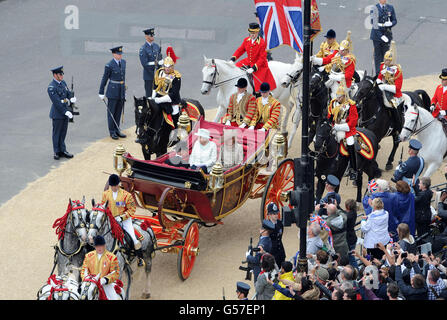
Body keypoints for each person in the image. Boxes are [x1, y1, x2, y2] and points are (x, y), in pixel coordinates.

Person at [102, 174, 145, 267]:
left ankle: (140, 258)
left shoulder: (127, 195)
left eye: (115, 186)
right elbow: (103, 206)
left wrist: (122, 217)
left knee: (134, 238)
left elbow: (132, 209)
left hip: (124, 220)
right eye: (112, 186)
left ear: (119, 184)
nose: (113, 188)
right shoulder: (105, 194)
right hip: (111, 220)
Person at [230, 22, 276, 94]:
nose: (252, 35)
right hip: (248, 61)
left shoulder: (262, 43)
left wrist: (253, 68)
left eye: (254, 33)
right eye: (251, 33)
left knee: (257, 84)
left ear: (257, 32)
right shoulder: (246, 40)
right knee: (235, 68)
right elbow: (240, 50)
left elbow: (262, 58)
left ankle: (258, 95)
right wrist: (233, 59)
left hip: (260, 65)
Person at [327, 82, 359, 180]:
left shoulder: (351, 105)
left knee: (350, 144)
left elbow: (353, 122)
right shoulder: (333, 103)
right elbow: (329, 116)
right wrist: (332, 125)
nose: (338, 98)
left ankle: (353, 169)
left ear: (345, 96)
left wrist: (339, 127)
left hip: (346, 129)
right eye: (337, 96)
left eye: (340, 97)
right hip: (334, 127)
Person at [98, 46, 127, 140]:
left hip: (121, 90)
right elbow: (104, 78)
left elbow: (123, 77)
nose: (120, 55)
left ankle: (117, 129)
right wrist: (101, 91)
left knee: (118, 111)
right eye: (118, 54)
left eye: (121, 54)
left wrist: (124, 88)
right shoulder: (109, 65)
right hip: (113, 90)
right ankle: (112, 131)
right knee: (112, 112)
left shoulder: (123, 62)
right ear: (114, 54)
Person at [81, 235, 121, 300]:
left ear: (104, 245)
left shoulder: (112, 257)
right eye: (97, 246)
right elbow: (84, 270)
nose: (99, 248)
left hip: (106, 285)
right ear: (94, 246)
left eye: (101, 246)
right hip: (91, 283)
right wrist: (87, 279)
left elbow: (115, 273)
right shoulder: (88, 256)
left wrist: (105, 280)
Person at [150, 47, 181, 131]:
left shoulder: (176, 77)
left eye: (169, 67)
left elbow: (173, 94)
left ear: (172, 66)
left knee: (175, 113)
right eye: (165, 66)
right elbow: (155, 85)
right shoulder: (160, 72)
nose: (167, 68)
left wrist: (158, 100)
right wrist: (153, 98)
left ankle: (176, 131)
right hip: (159, 96)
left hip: (171, 100)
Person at [47, 66, 75, 160]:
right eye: (60, 74)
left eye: (62, 74)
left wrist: (71, 97)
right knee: (57, 133)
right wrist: (66, 111)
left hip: (65, 111)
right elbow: (57, 102)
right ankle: (56, 151)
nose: (62, 76)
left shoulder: (63, 83)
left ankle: (63, 150)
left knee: (63, 132)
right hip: (58, 113)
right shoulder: (51, 87)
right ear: (55, 75)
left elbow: (67, 92)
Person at [376, 41, 404, 133]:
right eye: (385, 59)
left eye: (387, 60)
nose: (385, 61)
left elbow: (397, 88)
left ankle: (398, 127)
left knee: (394, 107)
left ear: (392, 61)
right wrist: (378, 84)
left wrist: (384, 86)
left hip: (394, 94)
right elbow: (380, 77)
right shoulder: (382, 66)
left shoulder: (397, 70)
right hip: (384, 88)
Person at [324, 31, 356, 99]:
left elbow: (348, 76)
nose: (340, 51)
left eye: (343, 50)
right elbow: (328, 60)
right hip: (334, 79)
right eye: (340, 50)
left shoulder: (350, 60)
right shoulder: (337, 55)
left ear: (347, 50)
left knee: (340, 98)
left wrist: (335, 77)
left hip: (344, 84)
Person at [370, 0, 397, 75]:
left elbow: (394, 20)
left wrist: (391, 23)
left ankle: (386, 72)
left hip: (387, 33)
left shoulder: (390, 8)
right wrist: (381, 36)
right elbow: (373, 23)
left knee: (386, 55)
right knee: (378, 56)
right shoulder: (374, 8)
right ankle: (378, 74)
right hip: (377, 35)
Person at [139, 28, 163, 98]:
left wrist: (160, 64)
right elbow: (144, 64)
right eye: (150, 35)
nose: (152, 36)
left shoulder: (156, 46)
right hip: (149, 76)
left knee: (158, 95)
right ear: (146, 37)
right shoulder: (143, 49)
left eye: (153, 35)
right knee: (149, 96)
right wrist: (154, 64)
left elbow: (159, 57)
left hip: (158, 76)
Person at [344, 199, 358, 267]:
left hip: (349, 239)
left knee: (351, 258)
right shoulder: (353, 212)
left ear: (348, 207)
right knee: (351, 257)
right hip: (352, 238)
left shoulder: (348, 216)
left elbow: (344, 216)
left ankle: (357, 272)